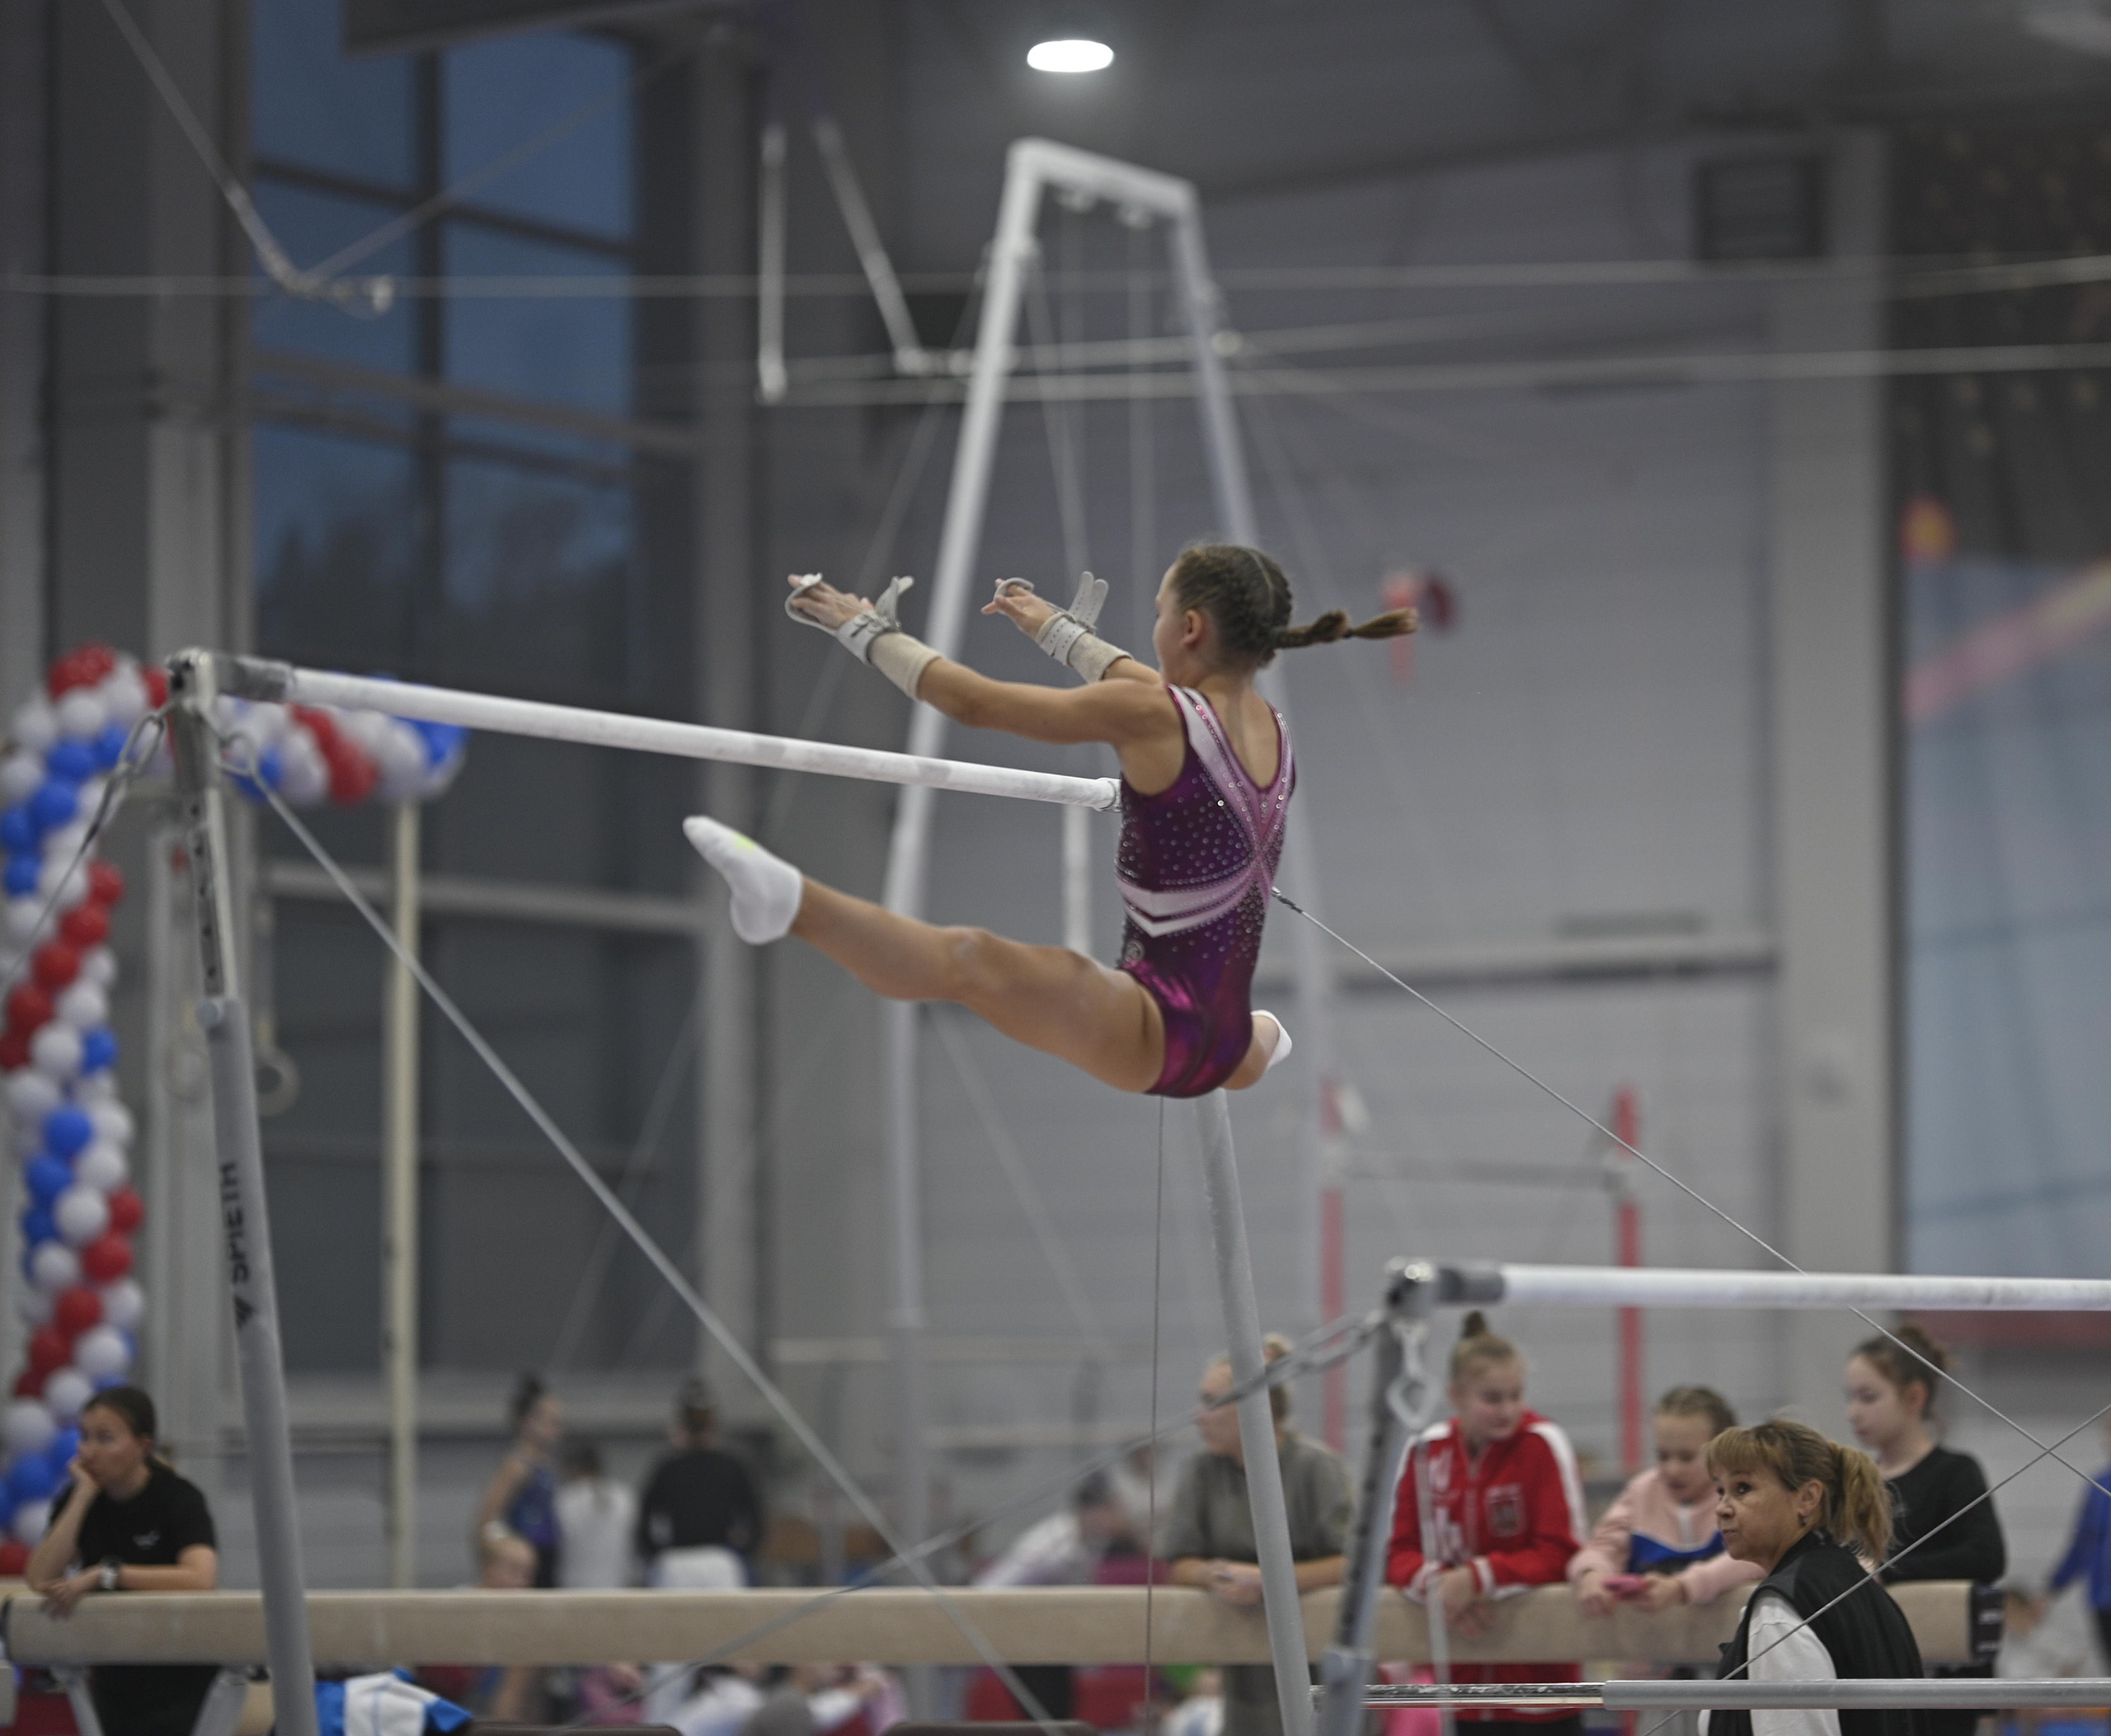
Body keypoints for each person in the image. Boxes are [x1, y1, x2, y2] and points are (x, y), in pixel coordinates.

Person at [684, 548, 1413, 1098]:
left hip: (1156, 1028)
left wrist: (862, 627)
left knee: (972, 960)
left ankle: (790, 906)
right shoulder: (1272, 729)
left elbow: (975, 703)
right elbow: (1129, 676)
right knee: (1006, 967)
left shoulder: (1154, 713)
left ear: (1190, 627)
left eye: (1160, 611)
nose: (1153, 627)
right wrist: (1054, 627)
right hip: (1225, 1047)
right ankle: (1268, 1037)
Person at [1385, 1313, 1587, 1733]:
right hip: (1461, 1689)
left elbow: (1561, 1550)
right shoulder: (1425, 1452)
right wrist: (1438, 1587)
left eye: (1517, 1396)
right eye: (1493, 1398)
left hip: (1542, 1687)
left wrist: (1478, 1578)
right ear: (1455, 1394)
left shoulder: (1542, 1444)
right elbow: (1397, 1551)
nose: (1508, 1410)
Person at [1164, 1333, 1355, 1736]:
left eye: (1213, 1402)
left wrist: (1268, 1582)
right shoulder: (1200, 1472)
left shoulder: (1316, 1469)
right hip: (1245, 1661)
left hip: (1318, 1655)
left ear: (1258, 1407)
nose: (1199, 1415)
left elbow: (1353, 1564)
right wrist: (1212, 1575)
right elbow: (1180, 1564)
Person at [1702, 1419, 1929, 1736]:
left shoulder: (1780, 1612)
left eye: (1743, 1488)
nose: (1722, 1509)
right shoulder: (1855, 1581)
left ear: (1807, 1498)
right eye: (1720, 1491)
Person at [25, 1386, 219, 1736]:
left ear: (143, 1445)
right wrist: (83, 1495)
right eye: (84, 1437)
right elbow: (40, 1578)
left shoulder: (178, 1498)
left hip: (183, 1671)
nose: (89, 1451)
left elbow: (199, 1577)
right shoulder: (80, 1499)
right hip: (118, 1675)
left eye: (106, 1438)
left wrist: (107, 1574)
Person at [1845, 1326, 2005, 1736]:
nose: (1853, 1412)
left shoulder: (1955, 1472)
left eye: (1868, 1397)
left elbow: (1987, 1556)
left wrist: (1888, 1571)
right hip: (1874, 1664)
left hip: (1946, 1671)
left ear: (1914, 1397)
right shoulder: (1855, 1482)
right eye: (1850, 1398)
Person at [1572, 1386, 1761, 1616]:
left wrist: (1682, 1587)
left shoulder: (1744, 1493)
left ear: (1722, 1451)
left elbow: (1756, 1558)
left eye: (1686, 1457)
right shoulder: (1642, 1491)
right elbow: (1602, 1547)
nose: (1672, 1470)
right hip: (1656, 1647)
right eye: (1663, 1456)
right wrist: (1592, 1574)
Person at [976, 1471, 1145, 1720]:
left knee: (1061, 1711)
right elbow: (992, 1587)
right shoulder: (1055, 1546)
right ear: (1092, 1512)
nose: (1116, 1520)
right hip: (1014, 1626)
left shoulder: (1086, 1541)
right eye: (1111, 1512)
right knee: (1046, 1713)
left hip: (1043, 1633)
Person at [637, 1379, 763, 1586]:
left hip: (689, 1562)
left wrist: (655, 1554)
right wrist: (744, 1553)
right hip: (711, 1562)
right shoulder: (729, 1466)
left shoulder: (669, 1468)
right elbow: (756, 1518)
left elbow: (644, 1519)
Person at [476, 1372, 564, 1588]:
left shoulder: (545, 1464)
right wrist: (498, 1557)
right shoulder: (517, 1465)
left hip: (546, 1559)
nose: (557, 1430)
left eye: (559, 1423)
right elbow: (486, 1520)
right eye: (550, 1422)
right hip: (523, 1565)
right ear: (525, 1422)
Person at [2046, 1414, 2111, 1666]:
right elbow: (2082, 1543)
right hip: (2103, 1600)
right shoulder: (2099, 1486)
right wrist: (2052, 1588)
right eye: (2108, 1430)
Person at [557, 1437, 637, 1590]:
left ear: (573, 1468)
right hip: (617, 1585)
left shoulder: (565, 1498)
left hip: (575, 1587)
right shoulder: (624, 1495)